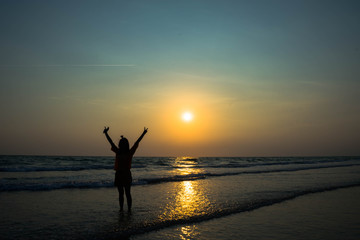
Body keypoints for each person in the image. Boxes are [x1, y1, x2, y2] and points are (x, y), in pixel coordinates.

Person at [103, 126, 148, 211]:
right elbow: (111, 142)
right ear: (120, 144)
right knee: (121, 194)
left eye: (124, 143)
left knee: (127, 193)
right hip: (119, 174)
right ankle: (121, 209)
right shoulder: (118, 151)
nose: (123, 145)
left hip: (126, 174)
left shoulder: (129, 152)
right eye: (122, 143)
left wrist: (143, 133)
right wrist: (106, 133)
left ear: (126, 145)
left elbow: (137, 142)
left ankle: (129, 209)